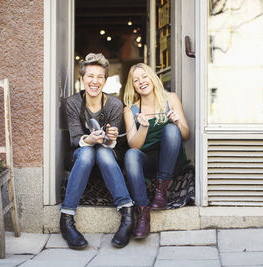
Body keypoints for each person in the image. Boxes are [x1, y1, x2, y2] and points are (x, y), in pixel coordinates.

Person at [61, 53, 135, 249]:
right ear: (82, 78)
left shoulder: (114, 105)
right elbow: (75, 139)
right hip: (80, 158)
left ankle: (127, 214)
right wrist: (90, 139)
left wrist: (110, 138)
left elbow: (116, 145)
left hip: (106, 160)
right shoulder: (72, 102)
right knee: (87, 153)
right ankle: (67, 219)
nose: (95, 81)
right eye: (90, 76)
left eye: (100, 77)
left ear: (105, 80)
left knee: (101, 152)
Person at [123, 63, 190, 239]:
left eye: (144, 76)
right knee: (130, 155)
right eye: (136, 80)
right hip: (148, 163)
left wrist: (177, 122)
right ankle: (143, 213)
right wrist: (143, 127)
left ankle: (161, 190)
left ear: (152, 78)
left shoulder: (171, 99)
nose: (141, 82)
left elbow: (186, 134)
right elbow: (134, 146)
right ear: (133, 86)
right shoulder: (130, 110)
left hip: (170, 162)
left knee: (171, 130)